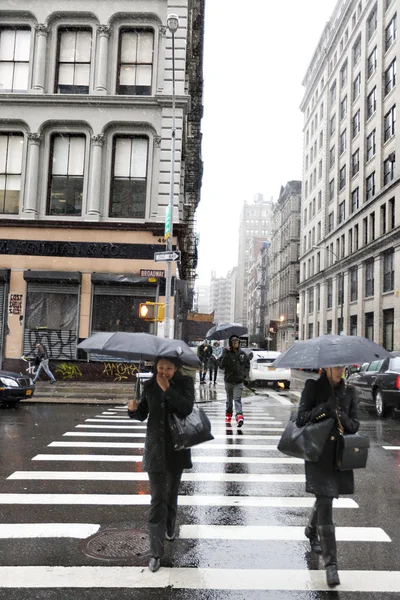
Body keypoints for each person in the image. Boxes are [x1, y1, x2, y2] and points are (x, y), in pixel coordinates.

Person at [127, 357, 194, 573]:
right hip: (155, 449)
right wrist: (133, 410)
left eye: (169, 368)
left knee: (171, 492)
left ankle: (170, 526)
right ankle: (156, 552)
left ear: (176, 369)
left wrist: (168, 390)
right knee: (157, 499)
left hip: (177, 448)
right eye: (161, 367)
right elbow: (143, 415)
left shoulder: (185, 384)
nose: (164, 372)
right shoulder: (148, 385)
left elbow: (186, 408)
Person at [296, 366, 360, 588]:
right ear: (326, 367)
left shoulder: (350, 393)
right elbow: (301, 419)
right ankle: (331, 565)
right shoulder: (312, 387)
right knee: (325, 500)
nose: (340, 371)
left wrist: (339, 413)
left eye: (343, 366)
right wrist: (325, 408)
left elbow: (354, 425)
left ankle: (311, 530)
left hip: (339, 458)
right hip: (318, 454)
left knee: (326, 498)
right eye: (336, 367)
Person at [219, 335, 250, 427]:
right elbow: (221, 365)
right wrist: (225, 353)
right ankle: (228, 415)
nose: (235, 343)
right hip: (229, 380)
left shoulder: (243, 354)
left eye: (237, 341)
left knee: (237, 399)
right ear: (231, 343)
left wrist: (245, 376)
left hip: (239, 381)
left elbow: (247, 366)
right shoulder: (227, 353)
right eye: (233, 342)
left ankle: (239, 417)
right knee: (229, 400)